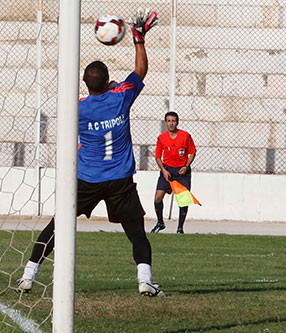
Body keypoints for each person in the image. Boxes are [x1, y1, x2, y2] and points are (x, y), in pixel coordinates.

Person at [17, 9, 164, 297]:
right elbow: (140, 72)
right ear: (109, 80)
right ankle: (144, 279)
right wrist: (138, 40)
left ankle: (28, 275)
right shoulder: (121, 97)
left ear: (85, 83)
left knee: (57, 226)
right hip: (120, 180)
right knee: (136, 232)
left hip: (86, 178)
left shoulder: (77, 108)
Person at [151, 111, 196, 234]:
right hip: (167, 170)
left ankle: (180, 228)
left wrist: (186, 166)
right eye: (169, 121)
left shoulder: (186, 136)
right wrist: (164, 170)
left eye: (173, 121)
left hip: (182, 171)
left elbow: (192, 153)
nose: (171, 123)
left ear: (177, 122)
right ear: (165, 123)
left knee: (183, 199)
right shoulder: (162, 138)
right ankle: (160, 222)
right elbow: (157, 157)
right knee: (158, 197)